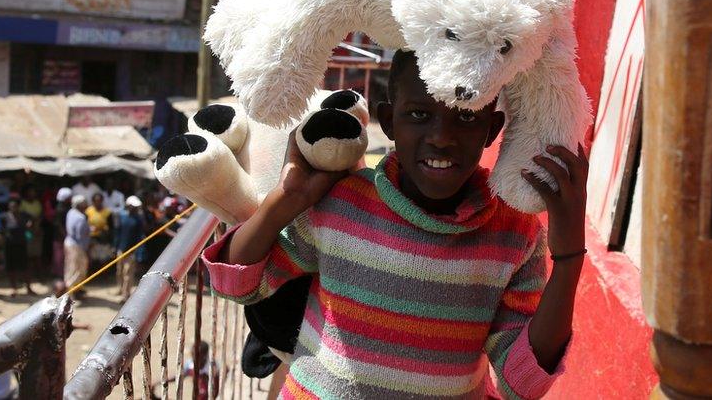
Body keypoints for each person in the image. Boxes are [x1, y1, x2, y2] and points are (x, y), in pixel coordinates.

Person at [202, 50, 588, 398]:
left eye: (467, 116)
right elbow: (239, 283)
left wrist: (569, 256)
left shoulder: (514, 236)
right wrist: (286, 200)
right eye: (419, 114)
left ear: (492, 128)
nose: (441, 137)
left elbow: (522, 382)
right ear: (388, 121)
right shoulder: (344, 203)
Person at [0, 199, 34, 296]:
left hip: (22, 244)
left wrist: (30, 224)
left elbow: (34, 218)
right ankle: (14, 288)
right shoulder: (4, 216)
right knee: (11, 268)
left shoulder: (23, 215)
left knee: (25, 267)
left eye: (15, 206)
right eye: (11, 206)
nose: (13, 208)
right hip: (9, 245)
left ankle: (28, 288)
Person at [114, 196, 145, 300]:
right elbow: (118, 233)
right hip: (121, 249)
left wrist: (138, 251)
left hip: (132, 251)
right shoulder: (122, 216)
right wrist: (115, 246)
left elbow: (140, 236)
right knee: (119, 271)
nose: (135, 208)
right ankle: (120, 288)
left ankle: (126, 294)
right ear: (128, 206)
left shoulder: (138, 219)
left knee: (128, 273)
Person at [63, 195, 90, 297]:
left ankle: (75, 290)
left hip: (69, 242)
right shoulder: (81, 218)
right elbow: (80, 236)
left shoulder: (70, 212)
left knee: (70, 268)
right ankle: (69, 290)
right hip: (77, 246)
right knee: (79, 269)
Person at [85, 193, 112, 265]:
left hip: (103, 237)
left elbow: (111, 226)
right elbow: (85, 224)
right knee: (93, 257)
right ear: (93, 201)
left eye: (99, 201)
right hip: (92, 237)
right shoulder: (88, 211)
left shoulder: (107, 212)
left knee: (103, 257)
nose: (98, 202)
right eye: (96, 201)